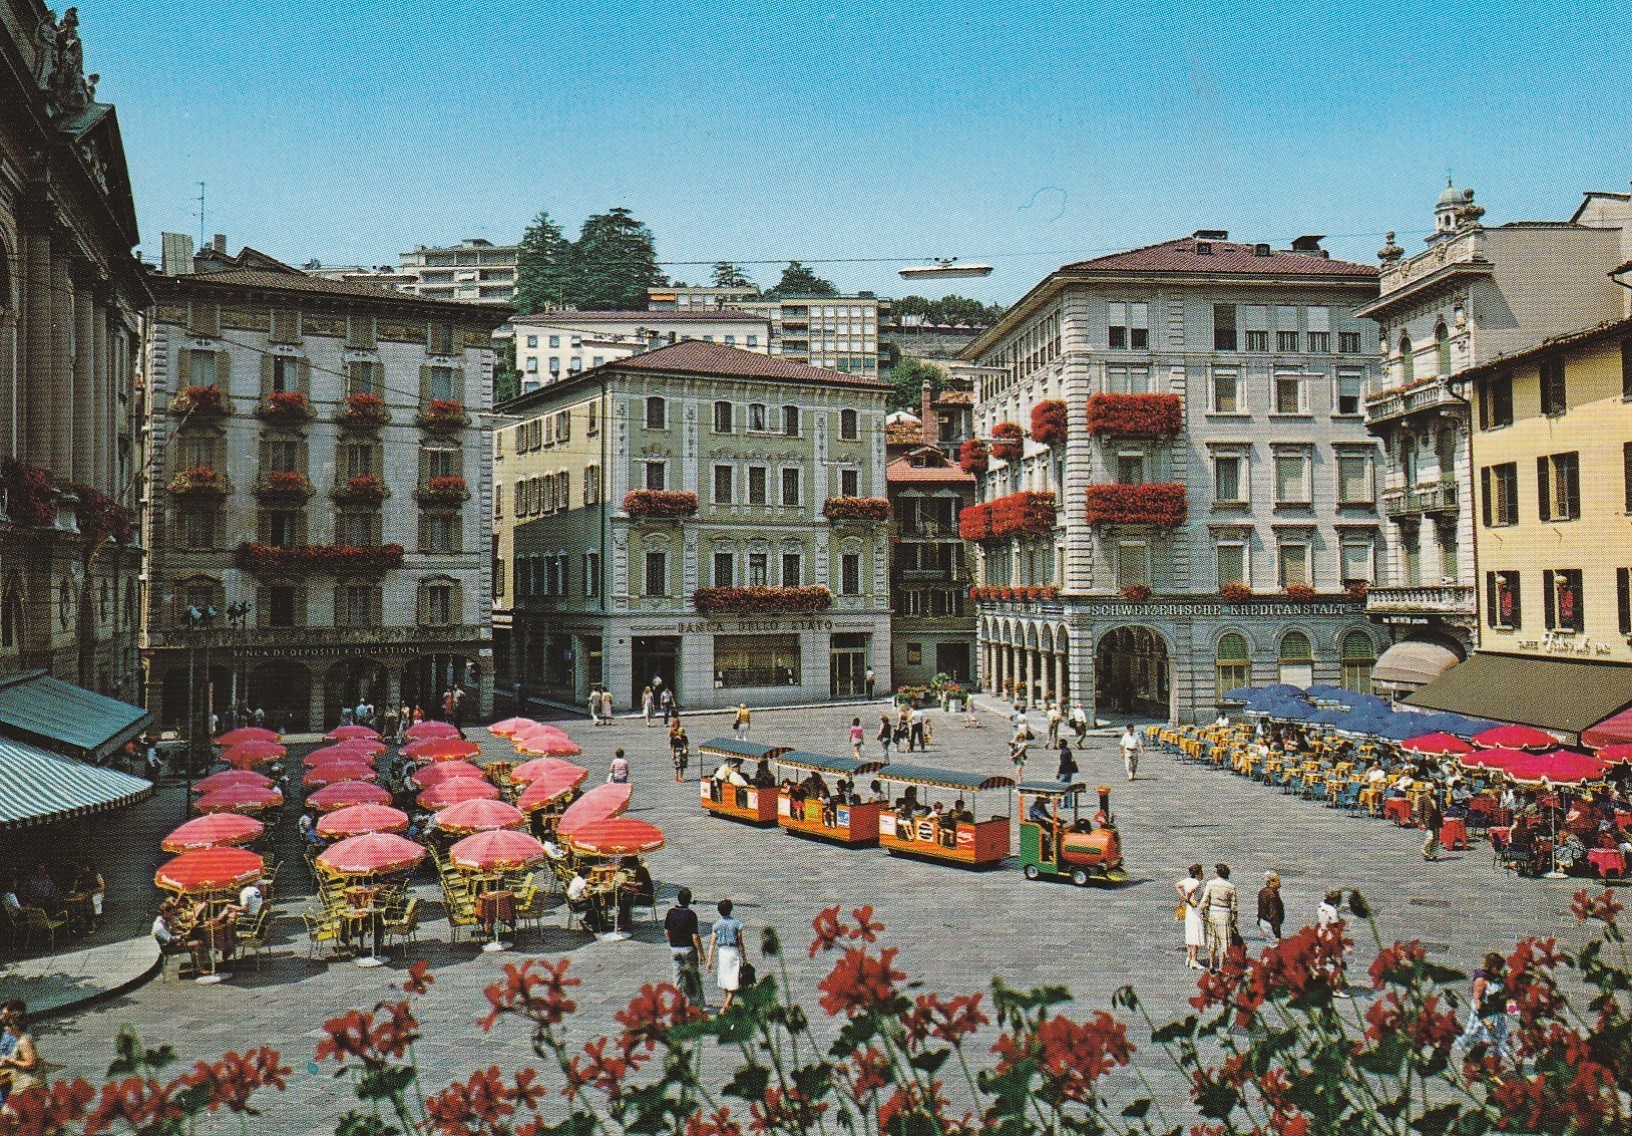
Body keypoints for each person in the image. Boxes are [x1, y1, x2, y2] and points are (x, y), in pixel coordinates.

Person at [1453, 953, 1514, 1063]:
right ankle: (1471, 1063)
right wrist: (1485, 1020)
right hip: (1484, 1013)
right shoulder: (1481, 979)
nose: (1499, 970)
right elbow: (1477, 1000)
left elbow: (1503, 994)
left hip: (1495, 1014)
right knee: (1485, 1041)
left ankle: (1480, 1064)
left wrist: (1511, 1008)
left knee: (1493, 1040)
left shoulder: (1496, 978)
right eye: (1498, 968)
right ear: (1492, 966)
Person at [665, 888, 707, 1011]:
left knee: (677, 976)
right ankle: (695, 1004)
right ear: (689, 900)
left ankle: (677, 1002)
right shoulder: (690, 915)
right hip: (688, 949)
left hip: (675, 948)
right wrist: (702, 953)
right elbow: (695, 936)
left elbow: (666, 932)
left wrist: (672, 942)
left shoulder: (670, 912)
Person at [706, 898, 747, 1011]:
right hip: (733, 951)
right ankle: (726, 1005)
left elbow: (712, 944)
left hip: (722, 952)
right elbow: (740, 942)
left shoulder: (716, 925)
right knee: (735, 979)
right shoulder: (737, 924)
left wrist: (709, 961)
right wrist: (744, 958)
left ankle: (729, 1002)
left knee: (725, 978)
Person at [0, 1000, 41, 1105]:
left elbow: (31, 1063)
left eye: (8, 1026)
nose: (6, 1028)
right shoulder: (17, 1038)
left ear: (14, 1025)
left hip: (22, 1083)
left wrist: (10, 1061)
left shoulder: (23, 1040)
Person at [1198, 863, 1238, 972]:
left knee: (1212, 940)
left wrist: (1202, 913)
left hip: (1213, 913)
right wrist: (1234, 920)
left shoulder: (1210, 884)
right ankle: (1221, 967)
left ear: (1218, 873)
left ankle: (1211, 965)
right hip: (1225, 914)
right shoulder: (1231, 886)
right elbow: (1234, 906)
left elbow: (1204, 901)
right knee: (1223, 942)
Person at [1176, 864, 1205, 970]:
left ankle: (1189, 957)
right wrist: (1187, 898)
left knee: (1190, 934)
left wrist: (1183, 897)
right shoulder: (1197, 883)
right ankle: (1194, 960)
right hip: (1195, 909)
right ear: (1197, 873)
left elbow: (1177, 885)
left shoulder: (1187, 880)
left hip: (1189, 910)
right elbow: (1189, 891)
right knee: (1196, 935)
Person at [567, 865, 608, 935]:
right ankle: (598, 925)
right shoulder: (581, 882)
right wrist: (593, 893)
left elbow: (586, 881)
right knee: (596, 903)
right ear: (587, 874)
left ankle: (591, 921)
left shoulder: (577, 879)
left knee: (596, 902)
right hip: (577, 904)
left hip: (573, 902)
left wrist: (591, 881)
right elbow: (586, 896)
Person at [1257, 872, 1285, 941]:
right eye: (1278, 880)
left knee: (1270, 945)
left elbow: (1260, 909)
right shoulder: (1272, 895)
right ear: (1271, 882)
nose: (1280, 882)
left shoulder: (1262, 891)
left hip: (1263, 922)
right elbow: (1274, 915)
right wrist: (1277, 933)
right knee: (1275, 947)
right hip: (1270, 924)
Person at [1420, 790, 1444, 861]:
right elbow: (1420, 812)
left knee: (1436, 839)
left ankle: (1433, 854)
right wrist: (1422, 822)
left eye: (1432, 789)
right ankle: (1424, 849)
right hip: (1428, 821)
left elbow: (1438, 809)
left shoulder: (1436, 798)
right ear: (1426, 790)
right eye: (1430, 790)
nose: (1432, 791)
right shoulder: (1422, 798)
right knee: (1430, 837)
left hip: (1436, 820)